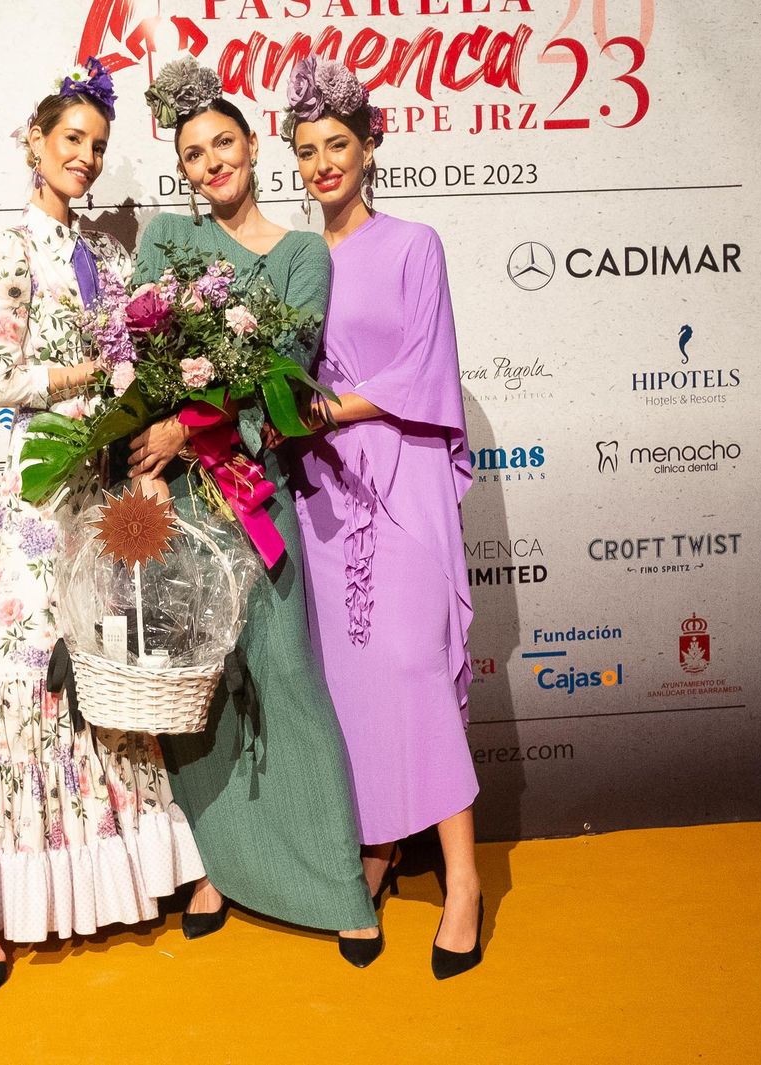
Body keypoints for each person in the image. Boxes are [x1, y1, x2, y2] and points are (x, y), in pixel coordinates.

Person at [0, 58, 203, 994]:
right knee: (24, 674)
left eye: (97, 147)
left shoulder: (113, 260)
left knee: (107, 663)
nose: (84, 157)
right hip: (39, 490)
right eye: (70, 140)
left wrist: (147, 398)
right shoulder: (11, 250)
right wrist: (87, 377)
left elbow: (137, 363)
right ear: (34, 144)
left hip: (106, 488)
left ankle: (132, 870)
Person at [124, 58, 379, 965]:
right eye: (193, 154)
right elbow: (135, 361)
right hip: (178, 499)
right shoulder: (162, 241)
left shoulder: (302, 253)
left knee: (288, 680)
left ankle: (335, 884)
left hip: (252, 489)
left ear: (252, 145)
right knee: (200, 692)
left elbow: (286, 376)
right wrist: (151, 448)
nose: (210, 163)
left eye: (223, 143)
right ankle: (215, 866)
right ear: (185, 170)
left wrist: (190, 429)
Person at [284, 57, 485, 979]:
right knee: (351, 682)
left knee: (413, 666)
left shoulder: (415, 244)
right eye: (308, 150)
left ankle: (466, 877)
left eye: (338, 145)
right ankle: (373, 847)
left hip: (398, 478)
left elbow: (423, 368)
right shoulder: (293, 263)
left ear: (370, 148)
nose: (323, 163)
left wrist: (334, 408)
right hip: (324, 494)